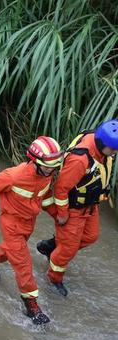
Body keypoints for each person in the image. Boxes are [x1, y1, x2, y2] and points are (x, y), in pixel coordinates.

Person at [0, 136, 64, 324]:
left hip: (28, 223)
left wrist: (57, 215)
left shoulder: (46, 176)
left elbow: (46, 198)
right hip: (11, 225)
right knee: (23, 264)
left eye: (55, 164)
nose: (53, 169)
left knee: (10, 253)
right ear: (35, 161)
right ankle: (32, 307)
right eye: (49, 165)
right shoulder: (13, 175)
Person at [36, 119, 118, 296]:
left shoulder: (102, 146)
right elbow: (61, 188)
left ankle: (50, 247)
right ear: (102, 143)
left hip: (89, 205)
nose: (114, 153)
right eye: (113, 150)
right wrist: (63, 214)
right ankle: (53, 278)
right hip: (74, 208)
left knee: (91, 236)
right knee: (67, 250)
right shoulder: (80, 160)